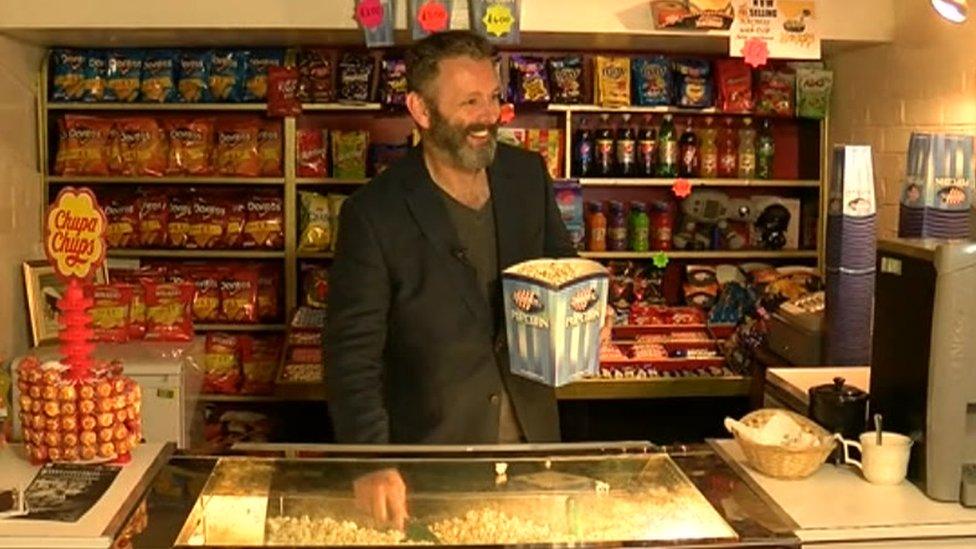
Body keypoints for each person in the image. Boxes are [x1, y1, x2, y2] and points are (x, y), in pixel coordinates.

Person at [324, 30, 578, 529]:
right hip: (431, 467)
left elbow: (561, 271)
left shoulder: (526, 176)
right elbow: (351, 354)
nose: (489, 116)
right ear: (420, 110)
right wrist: (372, 460)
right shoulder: (374, 213)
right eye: (469, 102)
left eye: (493, 98)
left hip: (533, 454)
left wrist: (585, 311)